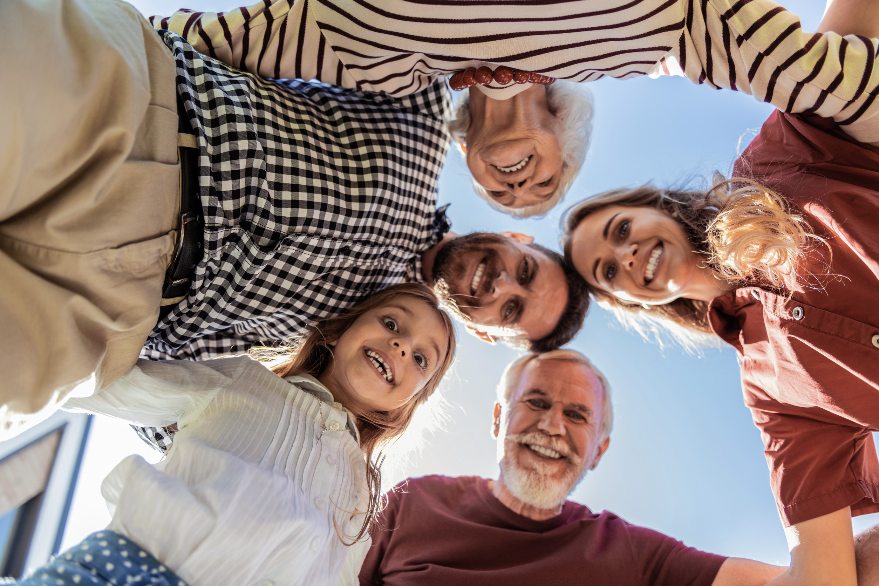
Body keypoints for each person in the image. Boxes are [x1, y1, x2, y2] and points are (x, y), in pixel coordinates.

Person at [0, 0, 587, 440]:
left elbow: (207, 428)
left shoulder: (345, 358)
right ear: (517, 237)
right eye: (526, 272)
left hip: (110, 310)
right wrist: (512, 103)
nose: (501, 284)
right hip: (139, 117)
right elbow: (410, 20)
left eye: (510, 309)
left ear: (485, 332)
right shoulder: (423, 120)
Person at [562, 3, 879, 575]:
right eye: (608, 272)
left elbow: (841, 48)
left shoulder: (777, 159)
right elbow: (825, 571)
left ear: (653, 207)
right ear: (638, 303)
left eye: (620, 230)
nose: (625, 255)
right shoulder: (772, 395)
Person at [156, 0, 879, 214]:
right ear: (567, 142)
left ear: (464, 160)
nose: (516, 183)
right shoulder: (651, 45)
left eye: (501, 191)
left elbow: (185, 42)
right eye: (544, 183)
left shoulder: (369, 62)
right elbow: (825, 80)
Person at [9, 283, 456, 585]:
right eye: (392, 324)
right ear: (341, 330)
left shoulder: (360, 501)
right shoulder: (243, 381)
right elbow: (110, 384)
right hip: (128, 568)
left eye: (421, 359)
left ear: (410, 401)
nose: (401, 346)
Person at [359, 350, 787, 585]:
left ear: (598, 451)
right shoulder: (414, 503)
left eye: (577, 416)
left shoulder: (631, 555)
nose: (551, 426)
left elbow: (794, 584)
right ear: (497, 419)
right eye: (536, 402)